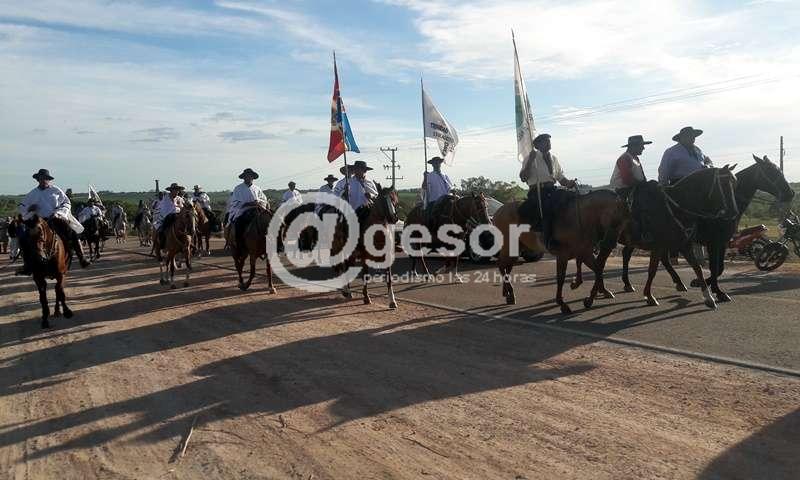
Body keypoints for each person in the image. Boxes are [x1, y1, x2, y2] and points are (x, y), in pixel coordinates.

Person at [17, 169, 90, 275]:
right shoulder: (32, 194)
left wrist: (58, 213)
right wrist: (29, 208)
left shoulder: (56, 190)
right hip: (38, 222)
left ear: (48, 179)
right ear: (38, 179)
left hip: (55, 219)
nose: (43, 180)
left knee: (72, 233)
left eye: (45, 178)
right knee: (24, 238)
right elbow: (21, 207)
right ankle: (27, 265)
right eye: (41, 178)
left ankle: (81, 257)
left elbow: (66, 203)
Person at [518, 134, 577, 249]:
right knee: (548, 208)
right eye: (546, 141)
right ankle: (549, 240)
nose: (549, 143)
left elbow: (561, 178)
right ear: (538, 145)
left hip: (552, 189)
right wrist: (530, 161)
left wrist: (569, 183)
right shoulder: (530, 158)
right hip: (537, 191)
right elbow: (523, 178)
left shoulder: (554, 158)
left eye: (549, 141)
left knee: (572, 200)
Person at [610, 135, 654, 242]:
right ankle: (640, 232)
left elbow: (641, 177)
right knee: (641, 206)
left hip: (635, 188)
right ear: (634, 146)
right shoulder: (624, 158)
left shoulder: (635, 159)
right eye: (641, 146)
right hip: (624, 191)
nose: (643, 148)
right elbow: (627, 179)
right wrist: (643, 185)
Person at [227, 168, 268, 248]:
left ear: (253, 177)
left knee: (267, 221)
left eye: (250, 176)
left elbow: (264, 199)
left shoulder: (257, 188)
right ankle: (239, 244)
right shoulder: (238, 188)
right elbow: (235, 201)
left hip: (258, 209)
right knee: (239, 223)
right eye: (247, 176)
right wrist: (248, 203)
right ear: (244, 177)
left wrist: (260, 202)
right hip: (243, 210)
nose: (248, 177)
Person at [421, 156, 455, 225]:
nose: (437, 164)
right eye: (435, 163)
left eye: (438, 163)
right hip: (434, 201)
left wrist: (453, 190)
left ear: (440, 164)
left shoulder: (445, 175)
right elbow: (424, 187)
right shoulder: (429, 176)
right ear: (432, 165)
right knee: (431, 217)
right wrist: (425, 178)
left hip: (446, 200)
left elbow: (450, 187)